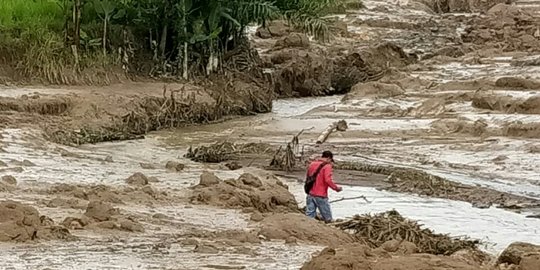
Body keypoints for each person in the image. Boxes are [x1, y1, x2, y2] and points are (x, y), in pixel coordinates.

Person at [305, 150, 342, 223]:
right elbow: (327, 180)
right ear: (329, 158)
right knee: (328, 218)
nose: (331, 162)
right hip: (320, 195)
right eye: (331, 160)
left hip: (310, 193)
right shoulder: (327, 166)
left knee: (309, 216)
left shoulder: (312, 164)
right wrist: (336, 188)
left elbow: (308, 177)